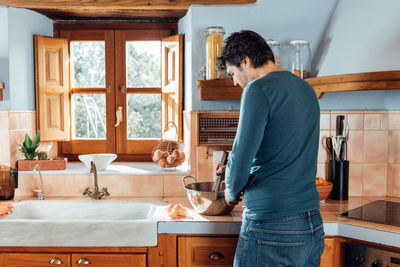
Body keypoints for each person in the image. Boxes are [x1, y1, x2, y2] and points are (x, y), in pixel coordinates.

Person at [216, 30, 324, 266]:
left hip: (272, 225)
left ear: (246, 61)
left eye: (233, 73)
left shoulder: (257, 90)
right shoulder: (305, 89)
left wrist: (231, 192)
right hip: (311, 224)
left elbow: (241, 155)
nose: (234, 82)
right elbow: (281, 151)